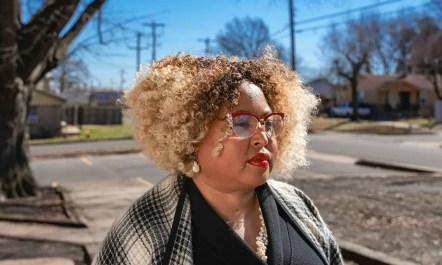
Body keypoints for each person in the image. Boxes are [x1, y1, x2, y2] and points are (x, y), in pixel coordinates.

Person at [93, 49, 344, 265]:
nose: (263, 136)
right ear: (192, 132)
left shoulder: (297, 205)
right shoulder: (144, 228)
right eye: (242, 122)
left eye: (268, 122)